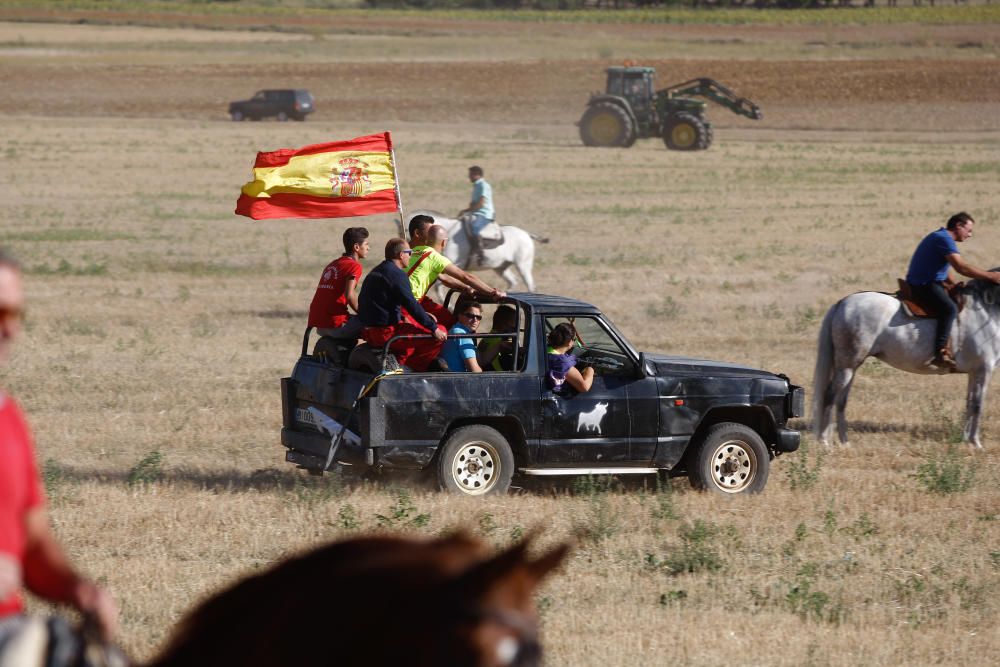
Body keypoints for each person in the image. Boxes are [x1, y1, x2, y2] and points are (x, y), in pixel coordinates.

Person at [0, 250, 118, 653]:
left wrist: (78, 590)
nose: (11, 331)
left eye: (15, 315)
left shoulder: (9, 419)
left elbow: (31, 544)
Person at [905, 212, 1000, 369]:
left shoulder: (942, 237)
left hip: (931, 282)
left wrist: (952, 284)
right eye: (968, 230)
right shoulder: (944, 239)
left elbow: (944, 267)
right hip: (923, 284)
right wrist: (990, 276)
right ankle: (940, 352)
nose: (970, 235)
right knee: (950, 309)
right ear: (958, 226)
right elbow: (961, 267)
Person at [358, 239, 447, 372]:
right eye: (410, 253)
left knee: (412, 328)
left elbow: (380, 302)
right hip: (386, 333)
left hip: (369, 330)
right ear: (401, 255)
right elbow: (411, 304)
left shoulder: (377, 271)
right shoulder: (397, 274)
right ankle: (413, 370)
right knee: (440, 332)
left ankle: (398, 363)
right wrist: (433, 328)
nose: (411, 256)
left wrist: (401, 315)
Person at [407, 223, 505, 329]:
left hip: (407, 299)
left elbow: (444, 278)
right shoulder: (435, 257)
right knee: (441, 332)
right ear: (444, 242)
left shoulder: (415, 251)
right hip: (409, 303)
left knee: (448, 319)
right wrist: (492, 292)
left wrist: (465, 287)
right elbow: (466, 277)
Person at [307, 227, 369, 340]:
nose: (368, 248)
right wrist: (365, 314)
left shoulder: (333, 264)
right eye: (366, 244)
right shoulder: (354, 266)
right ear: (356, 247)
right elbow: (349, 295)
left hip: (317, 322)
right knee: (375, 326)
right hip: (335, 323)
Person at [456, 166, 495, 266]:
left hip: (484, 214)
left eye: (471, 174)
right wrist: (466, 211)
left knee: (474, 228)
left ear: (477, 174)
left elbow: (481, 202)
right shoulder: (477, 186)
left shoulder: (483, 185)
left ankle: (480, 254)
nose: (469, 176)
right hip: (476, 213)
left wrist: (469, 210)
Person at [546, 323, 594, 393]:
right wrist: (590, 371)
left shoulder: (545, 350)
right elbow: (584, 388)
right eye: (574, 339)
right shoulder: (563, 363)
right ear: (569, 342)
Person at [439, 302, 484, 373]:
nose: (475, 320)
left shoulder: (455, 330)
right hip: (459, 380)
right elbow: (474, 371)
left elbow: (481, 361)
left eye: (478, 317)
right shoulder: (463, 335)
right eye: (470, 316)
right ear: (460, 316)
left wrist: (498, 346)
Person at [477, 305, 517, 372]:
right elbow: (496, 368)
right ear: (504, 323)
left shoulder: (486, 338)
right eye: (514, 322)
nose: (515, 326)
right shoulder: (498, 341)